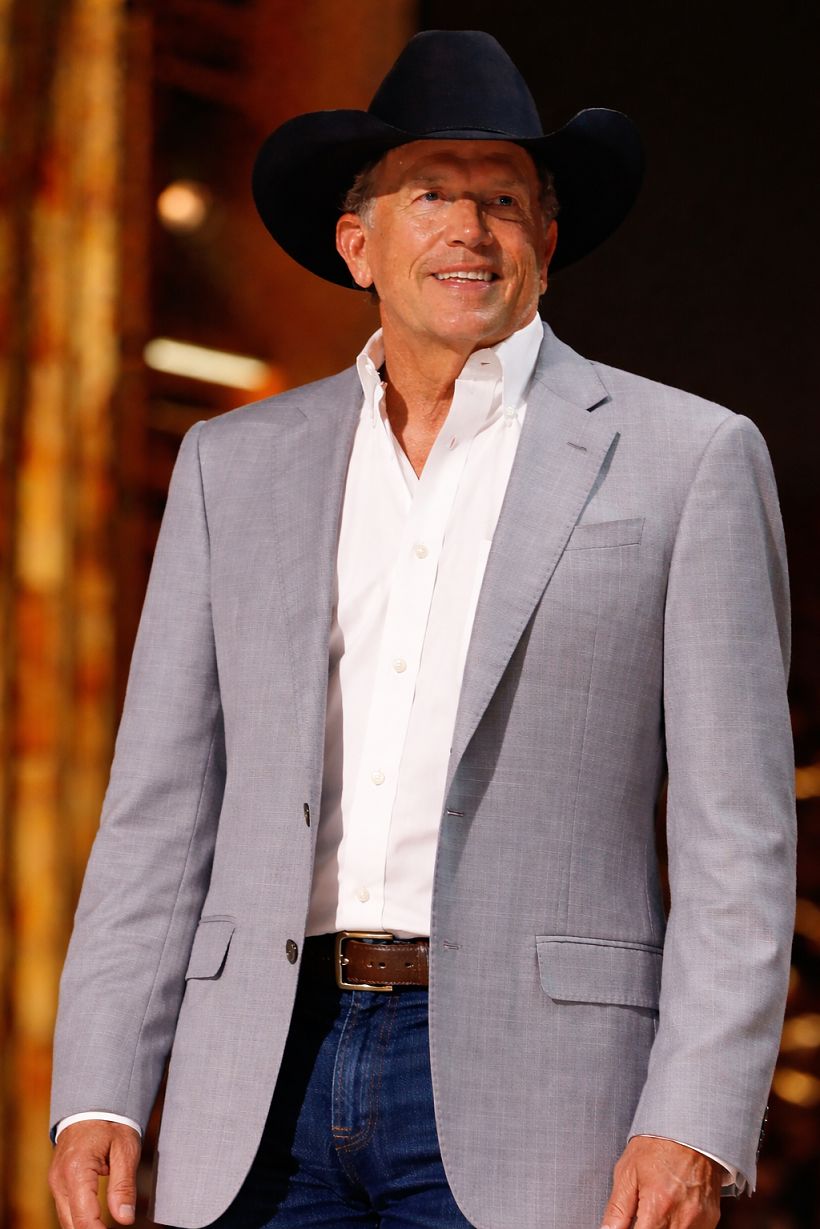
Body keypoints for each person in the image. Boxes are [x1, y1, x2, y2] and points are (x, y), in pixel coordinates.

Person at [48, 28, 796, 1229]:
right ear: (358, 244)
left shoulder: (688, 457)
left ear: (547, 241)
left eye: (504, 199)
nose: (471, 229)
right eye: (432, 194)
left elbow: (737, 837)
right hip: (259, 1079)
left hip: (544, 1096)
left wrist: (696, 1113)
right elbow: (159, 808)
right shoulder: (233, 463)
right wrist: (99, 1085)